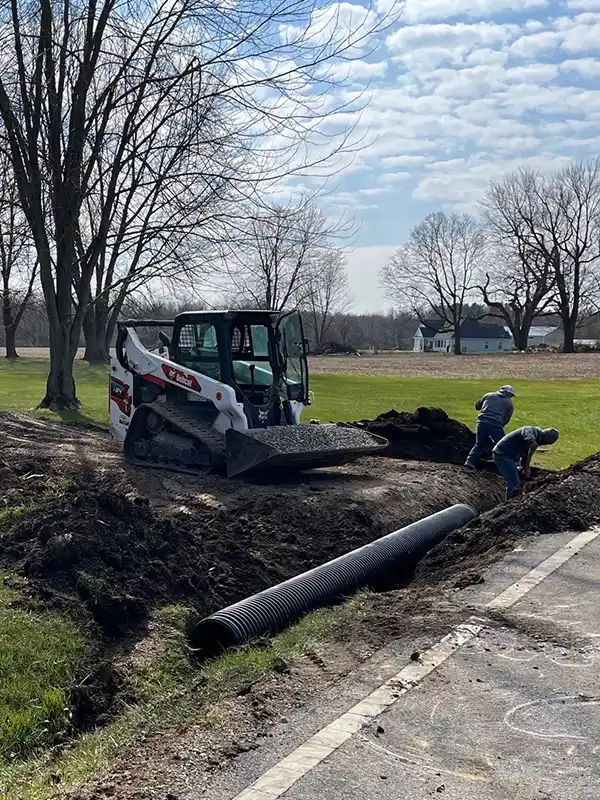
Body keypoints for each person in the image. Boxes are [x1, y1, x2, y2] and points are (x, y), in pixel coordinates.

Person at [493, 426, 560, 500]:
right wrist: (527, 466)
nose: (543, 445)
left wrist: (525, 468)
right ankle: (507, 504)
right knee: (514, 483)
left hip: (510, 457)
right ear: (544, 438)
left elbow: (525, 455)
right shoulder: (529, 430)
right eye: (546, 443)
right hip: (502, 455)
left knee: (517, 478)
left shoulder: (534, 439)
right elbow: (531, 443)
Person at [465, 385, 516, 468]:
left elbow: (477, 406)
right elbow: (506, 419)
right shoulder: (509, 404)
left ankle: (469, 461)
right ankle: (509, 465)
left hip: (481, 422)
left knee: (479, 444)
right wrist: (499, 426)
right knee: (504, 444)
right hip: (496, 425)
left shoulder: (488, 395)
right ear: (509, 394)